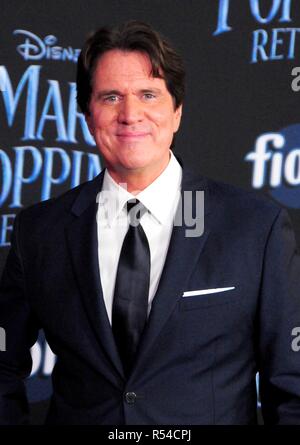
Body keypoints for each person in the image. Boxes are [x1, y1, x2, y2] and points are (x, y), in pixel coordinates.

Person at [0, 20, 300, 425]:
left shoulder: (255, 228)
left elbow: (292, 388)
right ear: (88, 115)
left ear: (177, 111)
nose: (130, 114)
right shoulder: (40, 232)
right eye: (110, 97)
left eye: (148, 94)